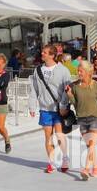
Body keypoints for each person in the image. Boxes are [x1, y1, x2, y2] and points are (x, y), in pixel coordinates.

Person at [32, 44, 73, 174]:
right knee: (48, 137)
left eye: (45, 52)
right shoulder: (38, 70)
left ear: (52, 55)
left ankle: (65, 158)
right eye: (42, 52)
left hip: (59, 109)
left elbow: (68, 90)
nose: (42, 54)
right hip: (45, 108)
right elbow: (34, 89)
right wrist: (32, 105)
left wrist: (63, 105)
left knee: (59, 135)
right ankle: (51, 162)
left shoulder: (63, 70)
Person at [67, 60, 97, 179]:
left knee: (91, 144)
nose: (79, 73)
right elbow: (75, 104)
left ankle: (86, 168)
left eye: (81, 71)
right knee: (89, 146)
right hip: (81, 119)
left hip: (96, 117)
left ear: (87, 72)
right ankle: (96, 168)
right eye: (78, 71)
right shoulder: (74, 86)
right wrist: (70, 95)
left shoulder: (96, 85)